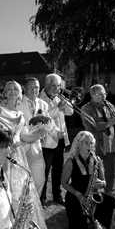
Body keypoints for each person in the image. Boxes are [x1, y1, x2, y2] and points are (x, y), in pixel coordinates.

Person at [62, 131, 115, 229]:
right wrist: (78, 194)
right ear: (78, 144)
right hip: (76, 195)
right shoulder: (70, 162)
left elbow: (104, 182)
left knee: (109, 201)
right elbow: (64, 183)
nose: (90, 146)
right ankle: (87, 217)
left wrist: (101, 183)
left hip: (92, 194)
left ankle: (94, 218)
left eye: (91, 143)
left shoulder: (97, 160)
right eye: (86, 143)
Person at [81, 84, 115, 207]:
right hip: (97, 146)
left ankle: (108, 199)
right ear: (92, 95)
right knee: (95, 174)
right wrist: (109, 122)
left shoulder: (109, 105)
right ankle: (93, 200)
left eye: (104, 93)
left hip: (112, 145)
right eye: (100, 94)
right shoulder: (86, 108)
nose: (104, 96)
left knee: (111, 174)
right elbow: (91, 126)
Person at [40, 73, 74, 206]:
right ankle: (41, 197)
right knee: (45, 170)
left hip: (60, 139)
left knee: (58, 170)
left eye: (59, 86)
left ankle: (57, 195)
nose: (57, 88)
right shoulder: (40, 98)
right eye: (54, 85)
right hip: (47, 141)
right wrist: (57, 108)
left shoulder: (58, 97)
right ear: (47, 85)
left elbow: (70, 112)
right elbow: (43, 118)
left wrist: (66, 104)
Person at [18, 77, 55, 195]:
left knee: (40, 180)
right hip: (21, 146)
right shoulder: (18, 102)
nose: (35, 90)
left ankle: (34, 207)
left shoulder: (43, 104)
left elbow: (48, 122)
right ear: (24, 88)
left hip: (37, 147)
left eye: (37, 87)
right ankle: (20, 208)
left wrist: (48, 130)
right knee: (21, 181)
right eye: (32, 87)